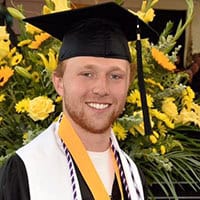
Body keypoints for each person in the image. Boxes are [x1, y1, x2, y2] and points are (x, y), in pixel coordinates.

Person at [0, 2, 154, 200]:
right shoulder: (24, 170)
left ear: (128, 85)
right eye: (87, 73)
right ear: (59, 82)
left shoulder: (132, 176)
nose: (101, 89)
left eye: (115, 76)